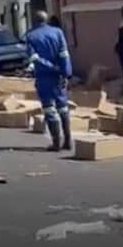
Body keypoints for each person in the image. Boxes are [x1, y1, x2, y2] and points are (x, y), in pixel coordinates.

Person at [25, 10, 73, 152]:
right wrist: (65, 73)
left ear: (34, 20)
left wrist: (50, 67)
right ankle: (68, 141)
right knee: (63, 107)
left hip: (44, 75)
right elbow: (64, 54)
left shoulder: (31, 36)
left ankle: (56, 143)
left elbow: (34, 58)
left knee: (49, 108)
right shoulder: (58, 32)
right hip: (59, 75)